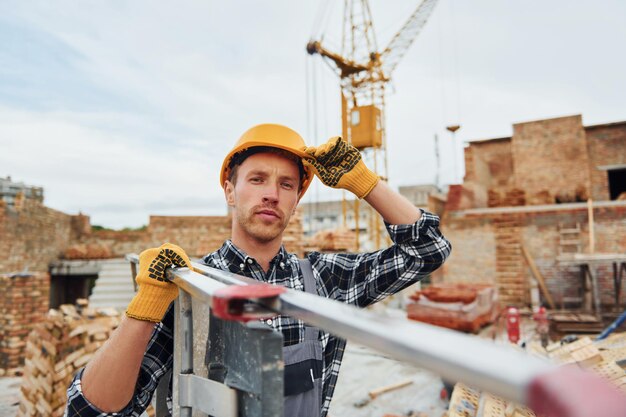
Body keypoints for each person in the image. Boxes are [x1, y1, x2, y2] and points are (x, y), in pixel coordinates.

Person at [65, 123, 451, 417]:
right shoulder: (192, 291)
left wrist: (364, 183)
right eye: (257, 179)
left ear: (297, 198)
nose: (272, 193)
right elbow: (94, 410)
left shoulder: (323, 280)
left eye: (287, 184)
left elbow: (428, 250)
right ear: (230, 191)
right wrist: (145, 307)